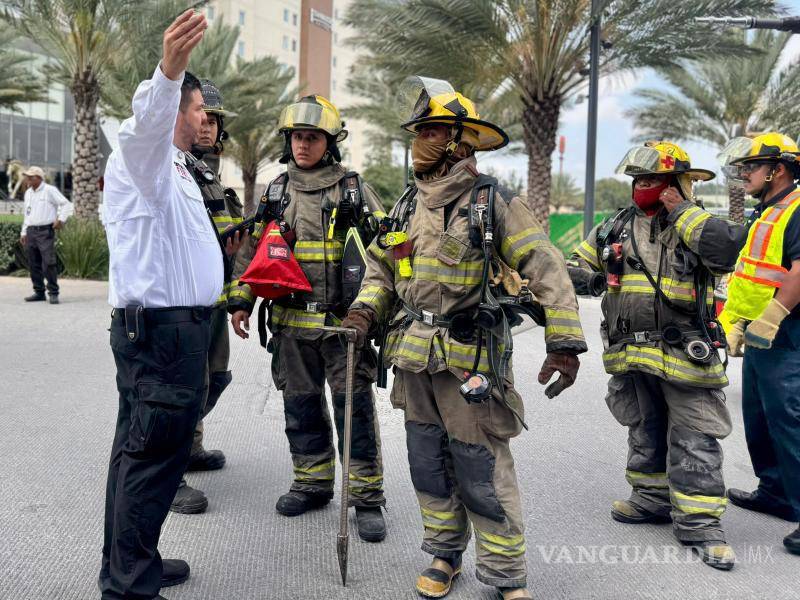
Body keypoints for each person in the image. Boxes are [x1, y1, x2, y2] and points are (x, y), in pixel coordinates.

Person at [343, 76, 586, 599]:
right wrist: (364, 313)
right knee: (428, 464)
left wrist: (563, 343)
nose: (419, 141)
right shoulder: (408, 205)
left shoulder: (492, 202)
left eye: (430, 131)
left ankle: (503, 575)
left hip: (470, 361)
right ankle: (443, 555)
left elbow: (547, 269)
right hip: (413, 359)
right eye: (418, 131)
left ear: (459, 141)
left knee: (480, 466)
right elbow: (381, 272)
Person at [569, 141, 745, 570]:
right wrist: (590, 278)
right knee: (643, 426)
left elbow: (724, 251)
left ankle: (701, 523)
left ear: (677, 184)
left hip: (685, 351)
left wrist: (682, 210)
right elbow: (574, 267)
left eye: (652, 180)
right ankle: (650, 499)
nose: (642, 187)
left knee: (695, 434)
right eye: (638, 180)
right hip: (631, 350)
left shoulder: (699, 223)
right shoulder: (613, 227)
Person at [98, 11, 222, 599]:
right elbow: (144, 127)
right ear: (175, 110)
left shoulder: (174, 168)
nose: (206, 120)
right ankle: (127, 587)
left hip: (175, 332)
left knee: (140, 458)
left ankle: (132, 563)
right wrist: (169, 72)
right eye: (199, 110)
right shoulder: (143, 156)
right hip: (164, 337)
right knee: (150, 463)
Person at [228, 95, 389, 542]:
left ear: (329, 142)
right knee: (300, 407)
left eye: (312, 137)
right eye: (297, 136)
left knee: (351, 410)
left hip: (343, 328)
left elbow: (387, 253)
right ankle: (313, 482)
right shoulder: (277, 191)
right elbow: (254, 253)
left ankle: (367, 498)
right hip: (291, 327)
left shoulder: (353, 189)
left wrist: (373, 311)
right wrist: (241, 300)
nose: (303, 144)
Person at [718, 132, 800, 555]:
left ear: (778, 170)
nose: (744, 173)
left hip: (787, 330)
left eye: (750, 166)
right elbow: (754, 274)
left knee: (789, 418)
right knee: (760, 414)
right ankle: (777, 491)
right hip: (762, 331)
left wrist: (772, 318)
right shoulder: (765, 210)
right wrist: (739, 322)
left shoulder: (798, 208)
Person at [168, 78, 245, 515]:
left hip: (214, 300)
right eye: (202, 116)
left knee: (213, 377)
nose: (208, 127)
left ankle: (192, 447)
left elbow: (225, 246)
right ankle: (171, 472)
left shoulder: (209, 176)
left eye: (215, 120)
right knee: (183, 387)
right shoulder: (176, 169)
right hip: (185, 304)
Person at [19, 166, 73, 304]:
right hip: (31, 231)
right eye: (27, 177)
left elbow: (66, 204)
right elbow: (27, 213)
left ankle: (53, 293)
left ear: (38, 178)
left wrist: (61, 219)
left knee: (48, 263)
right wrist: (24, 232)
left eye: (30, 177)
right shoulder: (28, 193)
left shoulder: (50, 190)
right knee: (33, 263)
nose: (27, 179)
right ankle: (39, 292)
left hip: (45, 231)